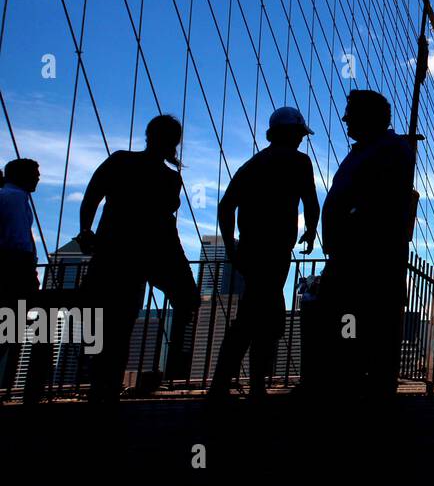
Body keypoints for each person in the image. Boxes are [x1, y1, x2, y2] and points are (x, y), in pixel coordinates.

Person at [77, 115, 199, 404]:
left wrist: (85, 231)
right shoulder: (170, 178)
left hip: (111, 254)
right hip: (143, 257)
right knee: (125, 321)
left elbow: (91, 197)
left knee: (105, 322)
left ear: (147, 134)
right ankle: (120, 385)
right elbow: (165, 223)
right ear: (176, 142)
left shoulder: (120, 161)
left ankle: (100, 388)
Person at [208, 108, 320, 401]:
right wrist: (310, 229)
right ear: (291, 134)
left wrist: (232, 246)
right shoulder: (299, 162)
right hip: (275, 251)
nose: (300, 140)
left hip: (250, 250)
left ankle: (231, 385)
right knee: (262, 319)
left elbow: (225, 206)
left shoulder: (253, 164)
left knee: (256, 314)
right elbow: (310, 200)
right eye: (298, 134)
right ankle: (246, 386)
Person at [317, 90, 416, 399]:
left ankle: (359, 391)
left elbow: (381, 201)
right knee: (352, 322)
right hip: (352, 253)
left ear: (368, 116)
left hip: (365, 257)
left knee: (360, 321)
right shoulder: (370, 149)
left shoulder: (390, 149)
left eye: (351, 112)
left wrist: (349, 229)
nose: (345, 118)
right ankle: (355, 387)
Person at [0, 159, 41, 402]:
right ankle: (23, 393)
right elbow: (17, 241)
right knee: (11, 331)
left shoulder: (10, 196)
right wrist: (29, 271)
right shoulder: (15, 199)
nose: (39, 177)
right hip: (15, 273)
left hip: (11, 270)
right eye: (35, 173)